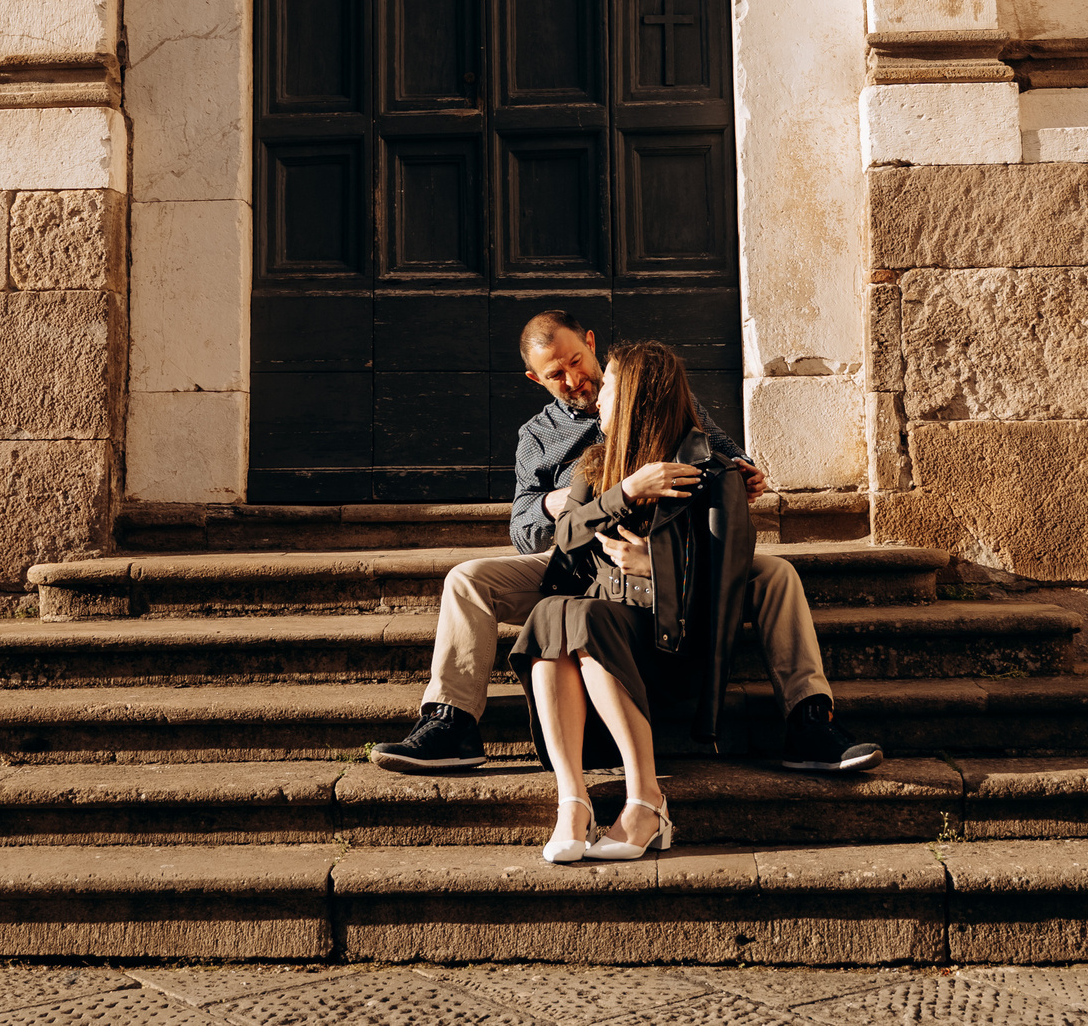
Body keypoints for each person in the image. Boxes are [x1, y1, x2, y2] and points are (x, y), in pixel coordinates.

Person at [369, 309, 883, 776]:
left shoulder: (651, 389)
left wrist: (744, 475)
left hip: (670, 553)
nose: (575, 380)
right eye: (556, 375)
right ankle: (451, 722)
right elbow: (523, 528)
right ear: (535, 380)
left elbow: (720, 453)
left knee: (777, 576)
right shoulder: (538, 436)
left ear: (591, 343)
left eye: (577, 361)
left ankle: (809, 718)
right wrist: (560, 503)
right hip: (578, 563)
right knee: (467, 579)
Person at [517, 340, 739, 862]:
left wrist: (656, 566)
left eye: (611, 386)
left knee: (581, 616)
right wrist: (626, 491)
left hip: (667, 644)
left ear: (639, 395)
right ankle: (572, 801)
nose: (599, 397)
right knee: (553, 610)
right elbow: (566, 533)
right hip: (598, 635)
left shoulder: (710, 471)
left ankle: (646, 799)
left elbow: (724, 580)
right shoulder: (593, 464)